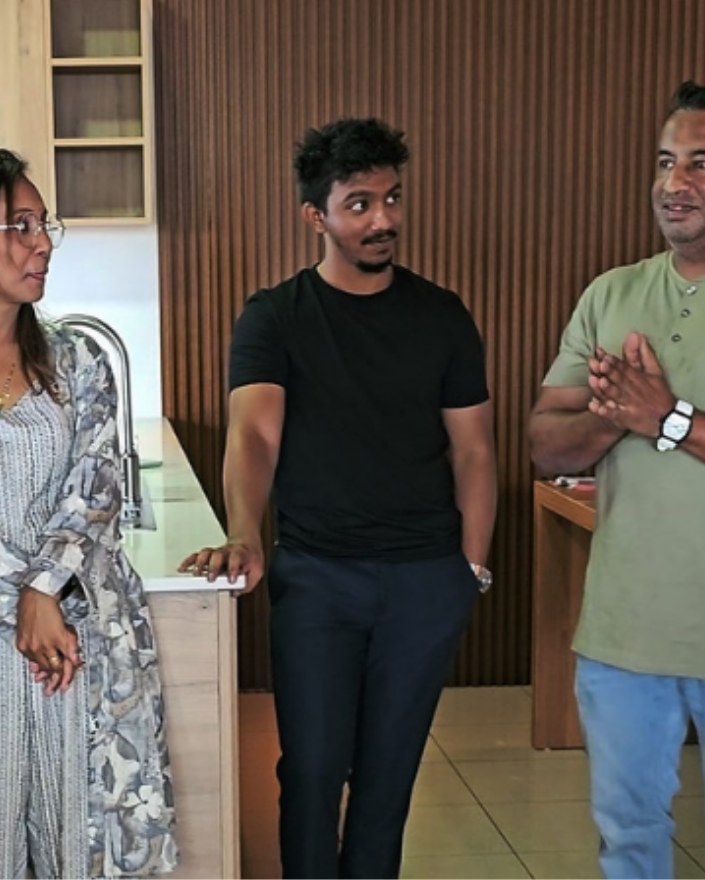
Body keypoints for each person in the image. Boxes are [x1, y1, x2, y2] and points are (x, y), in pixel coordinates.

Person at [181, 117, 497, 879]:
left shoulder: (442, 315)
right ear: (315, 216)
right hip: (318, 577)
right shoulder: (276, 316)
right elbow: (254, 435)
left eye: (391, 198)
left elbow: (474, 450)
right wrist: (247, 532)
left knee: (386, 783)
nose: (383, 219)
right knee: (315, 771)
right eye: (359, 203)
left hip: (425, 579)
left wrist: (470, 573)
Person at [0, 149, 178, 879]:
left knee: (69, 840)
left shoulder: (77, 361)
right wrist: (23, 601)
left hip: (67, 640)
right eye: (18, 225)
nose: (43, 240)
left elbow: (95, 489)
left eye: (42, 222)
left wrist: (44, 592)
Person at [528, 81, 705, 880]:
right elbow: (545, 442)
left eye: (703, 163)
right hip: (623, 640)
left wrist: (669, 419)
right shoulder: (614, 292)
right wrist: (614, 415)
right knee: (628, 845)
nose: (674, 183)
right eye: (667, 162)